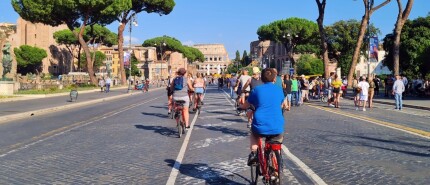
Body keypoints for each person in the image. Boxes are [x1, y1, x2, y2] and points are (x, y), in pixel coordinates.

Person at [238, 68, 285, 166]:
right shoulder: (279, 90)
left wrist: (240, 107)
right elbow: (281, 104)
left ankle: (254, 153)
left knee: (254, 134)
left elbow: (246, 105)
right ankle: (277, 170)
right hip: (277, 124)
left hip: (260, 124)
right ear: (274, 79)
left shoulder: (256, 90)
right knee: (277, 143)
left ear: (262, 79)